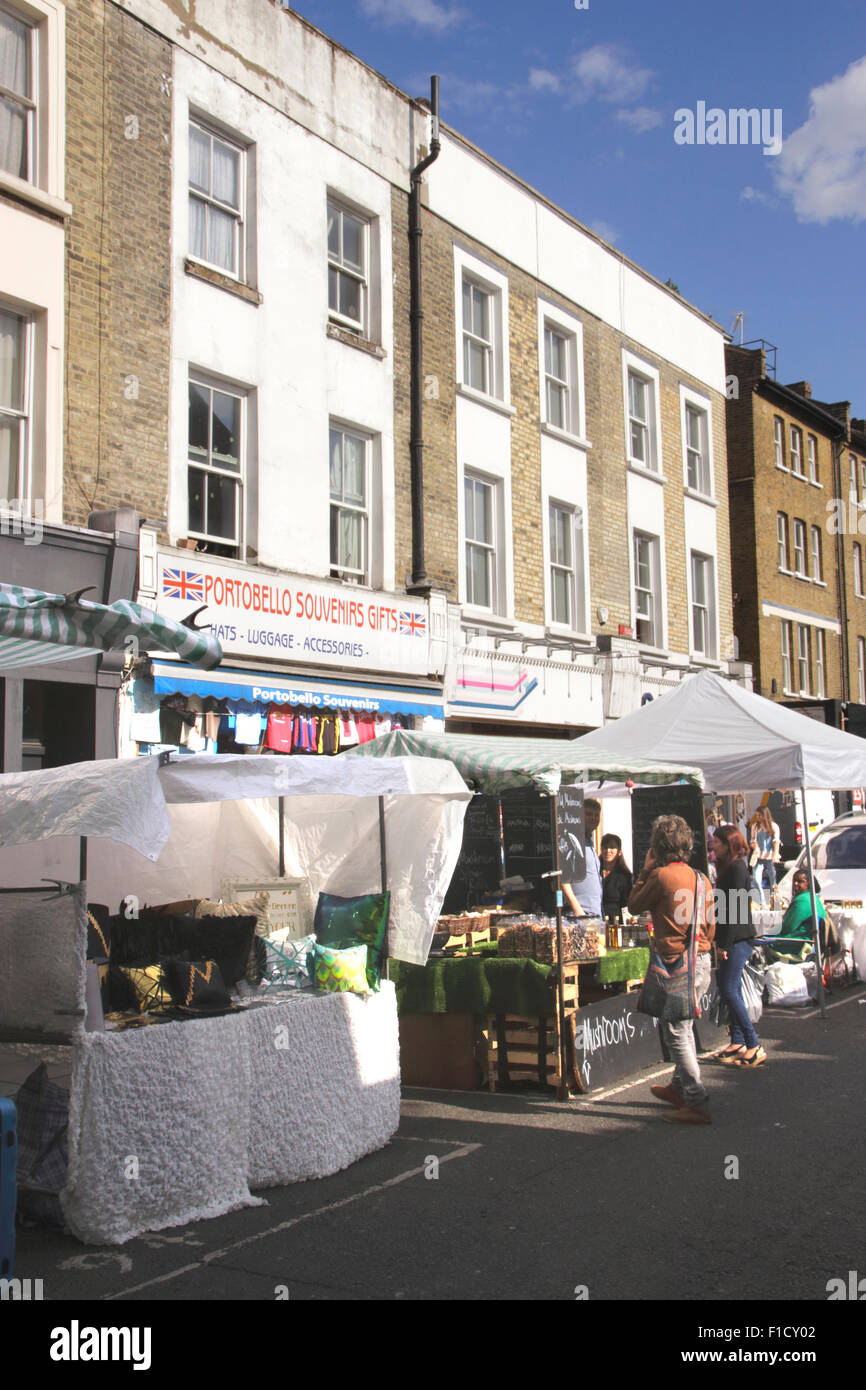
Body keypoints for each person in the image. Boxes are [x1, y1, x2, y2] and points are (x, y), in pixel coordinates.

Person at [628, 814, 716, 1125]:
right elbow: (711, 925)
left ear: (658, 846)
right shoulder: (701, 878)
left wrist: (646, 869)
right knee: (684, 1026)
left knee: (677, 1030)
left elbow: (634, 905)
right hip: (701, 959)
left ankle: (695, 1098)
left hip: (676, 962)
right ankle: (679, 1088)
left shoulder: (661, 876)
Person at [712, 824, 765, 1067]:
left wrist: (723, 944)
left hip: (737, 938)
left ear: (729, 844)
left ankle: (753, 1044)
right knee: (728, 989)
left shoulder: (735, 868)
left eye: (718, 842)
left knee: (729, 989)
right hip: (733, 937)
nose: (713, 846)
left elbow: (733, 910)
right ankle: (737, 1040)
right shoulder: (731, 867)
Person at [563, 798, 603, 918]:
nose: (593, 818)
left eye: (596, 815)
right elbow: (563, 878)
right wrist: (576, 908)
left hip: (594, 913)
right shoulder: (572, 841)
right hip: (580, 914)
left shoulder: (590, 843)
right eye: (589, 814)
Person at [600, 834, 633, 923]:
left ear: (619, 852)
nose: (608, 850)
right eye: (605, 847)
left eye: (612, 847)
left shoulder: (625, 876)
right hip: (596, 920)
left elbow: (626, 904)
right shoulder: (594, 871)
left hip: (615, 922)